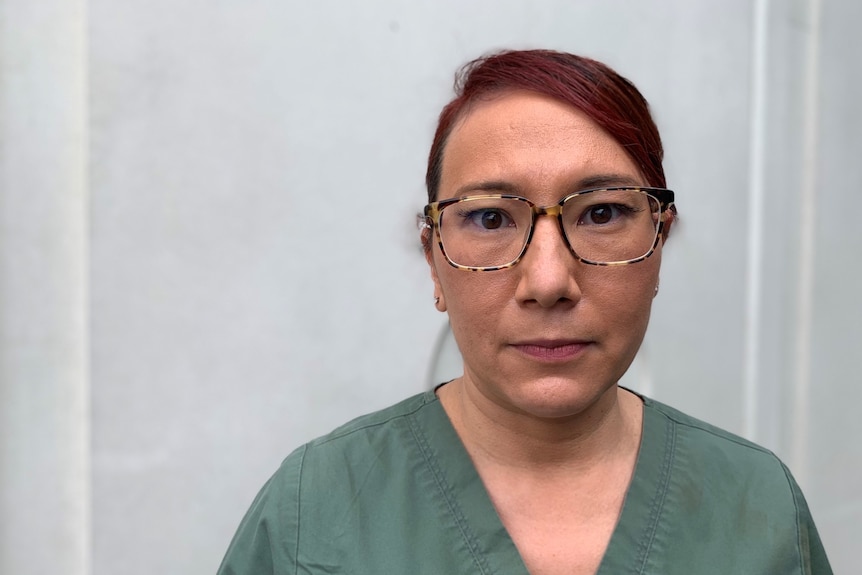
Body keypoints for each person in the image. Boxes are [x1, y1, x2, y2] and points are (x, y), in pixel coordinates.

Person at [217, 49, 832, 574]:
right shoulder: (313, 513)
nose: (548, 281)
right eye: (489, 218)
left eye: (602, 213)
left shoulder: (760, 508)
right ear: (434, 261)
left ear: (659, 244)